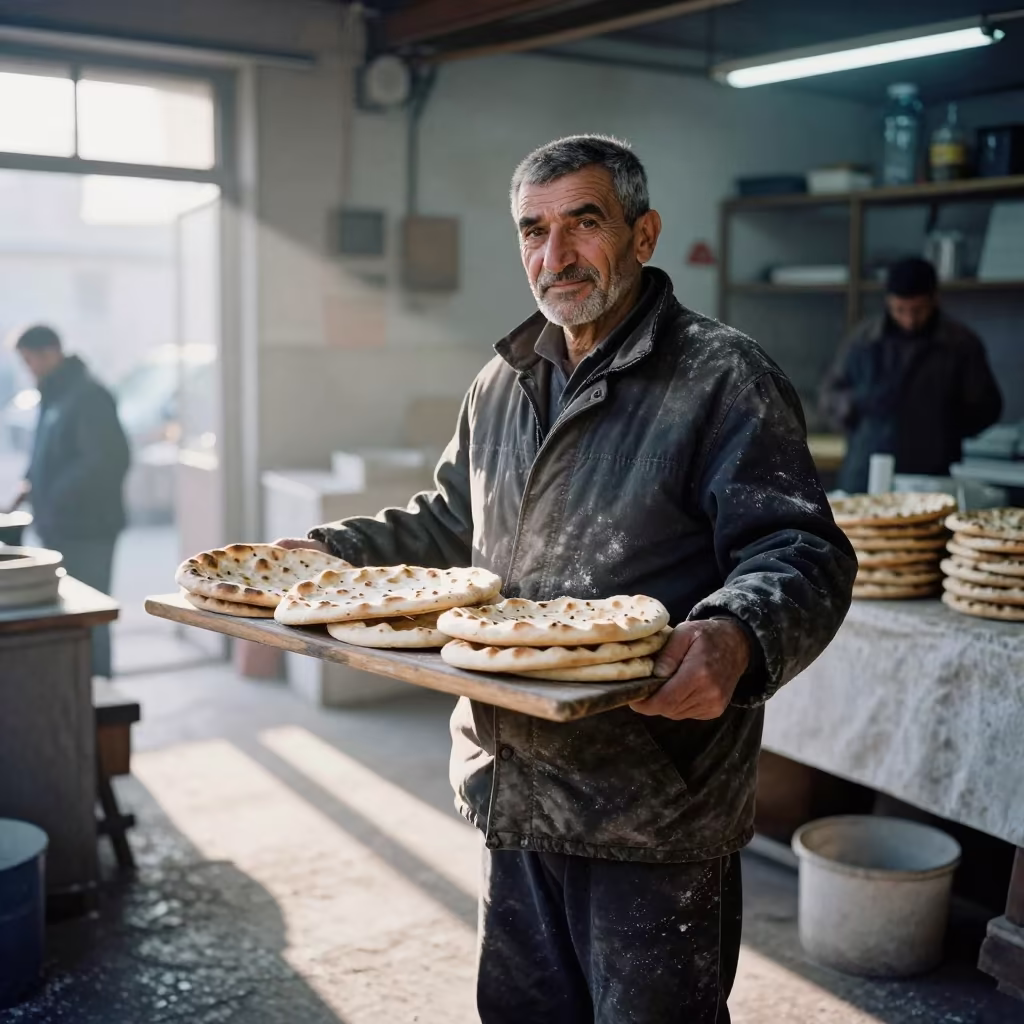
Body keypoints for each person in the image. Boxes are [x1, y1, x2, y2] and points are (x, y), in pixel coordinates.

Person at [276, 136, 856, 1023]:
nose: (555, 257)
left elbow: (801, 549)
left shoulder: (720, 377)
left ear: (643, 233)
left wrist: (737, 636)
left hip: (651, 798)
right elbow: (445, 525)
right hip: (510, 777)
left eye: (583, 224)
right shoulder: (502, 383)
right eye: (533, 232)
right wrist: (323, 555)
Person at [820, 257, 1003, 493]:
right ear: (888, 302)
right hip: (865, 471)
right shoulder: (863, 340)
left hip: (932, 474)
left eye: (918, 310)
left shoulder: (960, 344)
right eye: (900, 310)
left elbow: (988, 407)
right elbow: (828, 396)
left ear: (934, 299)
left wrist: (943, 423)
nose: (909, 319)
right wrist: (855, 403)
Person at [8, 325, 130, 678]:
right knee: (69, 616)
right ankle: (76, 691)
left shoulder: (89, 396)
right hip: (58, 526)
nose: (28, 367)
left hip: (88, 529)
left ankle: (102, 698)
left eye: (30, 359)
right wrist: (23, 493)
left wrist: (54, 497)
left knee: (92, 615)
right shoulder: (54, 394)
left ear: (50, 352)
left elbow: (107, 461)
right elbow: (45, 455)